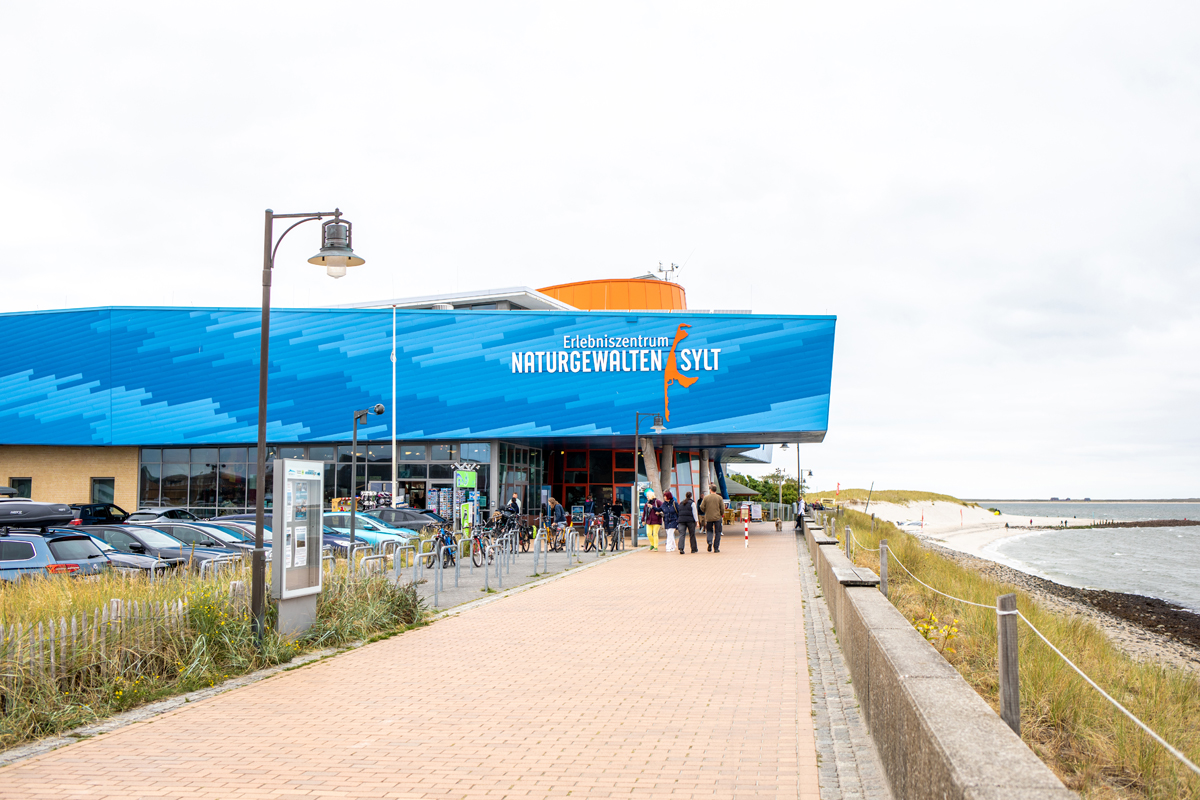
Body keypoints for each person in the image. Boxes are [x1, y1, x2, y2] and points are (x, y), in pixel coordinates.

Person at [700, 483, 724, 553]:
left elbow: (701, 507)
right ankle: (716, 548)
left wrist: (706, 511)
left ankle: (709, 542)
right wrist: (721, 514)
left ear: (710, 490)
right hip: (717, 517)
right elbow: (722, 508)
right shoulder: (719, 498)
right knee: (718, 532)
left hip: (709, 517)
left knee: (709, 531)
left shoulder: (706, 498)